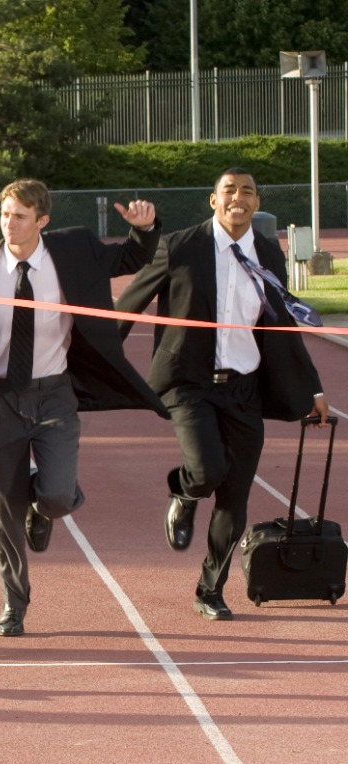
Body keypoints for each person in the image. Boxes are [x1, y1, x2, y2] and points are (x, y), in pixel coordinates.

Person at [0, 179, 167, 637]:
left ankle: (42, 509)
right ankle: (14, 602)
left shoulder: (75, 249)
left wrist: (145, 229)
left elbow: (128, 259)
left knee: (59, 493)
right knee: (3, 509)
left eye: (20, 216)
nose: (9, 224)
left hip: (55, 394)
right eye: (4, 215)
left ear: (43, 220)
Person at [116, 167, 329, 620]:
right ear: (213, 201)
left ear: (256, 202)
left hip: (244, 388)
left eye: (247, 191)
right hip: (188, 383)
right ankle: (186, 493)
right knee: (208, 468)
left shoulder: (268, 251)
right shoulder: (180, 246)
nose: (239, 197)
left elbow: (283, 322)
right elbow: (129, 303)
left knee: (235, 497)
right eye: (229, 190)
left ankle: (210, 589)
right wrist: (90, 356)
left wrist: (313, 386)